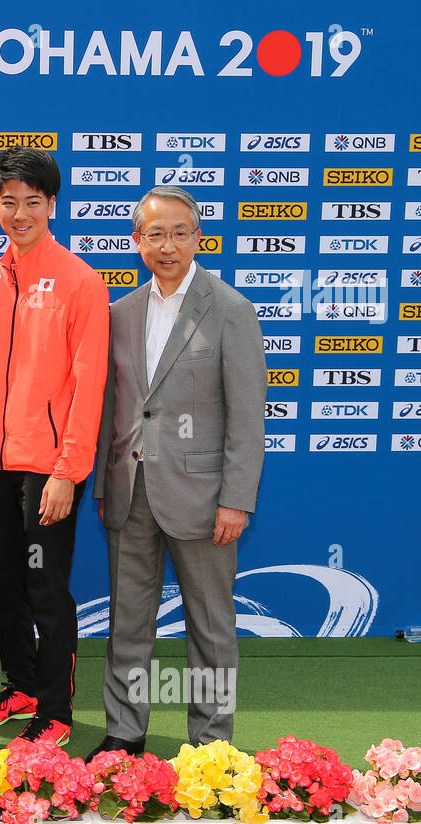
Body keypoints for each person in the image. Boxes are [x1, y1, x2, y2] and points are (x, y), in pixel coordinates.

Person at [86, 185, 266, 761]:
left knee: (210, 628)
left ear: (198, 238)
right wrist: (102, 485)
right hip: (129, 493)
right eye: (155, 234)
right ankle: (124, 733)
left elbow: (247, 415)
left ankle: (211, 745)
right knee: (126, 622)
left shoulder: (230, 309)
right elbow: (113, 408)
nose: (167, 245)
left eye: (179, 233)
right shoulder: (119, 312)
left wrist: (236, 499)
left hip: (204, 496)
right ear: (136, 241)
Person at [0, 147, 110, 747]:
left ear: (52, 204)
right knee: (1, 587)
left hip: (49, 469)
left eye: (32, 202)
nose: (19, 213)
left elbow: (88, 383)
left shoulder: (80, 280)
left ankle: (55, 710)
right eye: (8, 202)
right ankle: (20, 685)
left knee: (45, 591)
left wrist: (67, 471)